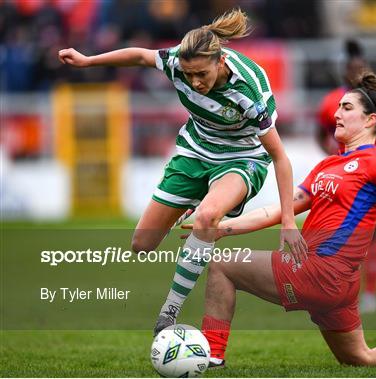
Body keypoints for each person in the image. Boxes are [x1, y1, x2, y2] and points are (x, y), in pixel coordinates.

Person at [184, 71, 376, 368]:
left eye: (347, 108)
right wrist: (221, 227)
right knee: (359, 357)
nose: (337, 114)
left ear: (370, 120)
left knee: (222, 265)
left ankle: (212, 354)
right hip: (337, 285)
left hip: (321, 272)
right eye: (338, 108)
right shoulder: (327, 165)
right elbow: (279, 210)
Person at [58, 8, 307, 336]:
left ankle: (169, 310)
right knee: (142, 245)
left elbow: (280, 157)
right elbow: (141, 56)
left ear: (220, 62)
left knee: (207, 218)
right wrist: (89, 61)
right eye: (189, 75)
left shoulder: (249, 90)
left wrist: (289, 221)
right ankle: (192, 203)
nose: (195, 82)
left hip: (242, 158)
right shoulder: (178, 60)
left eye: (201, 74)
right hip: (195, 150)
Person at [317, 39, 376, 313]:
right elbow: (321, 133)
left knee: (371, 234)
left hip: (375, 177)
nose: (356, 74)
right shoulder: (334, 102)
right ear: (345, 72)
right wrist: (333, 157)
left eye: (360, 69)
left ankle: (370, 294)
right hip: (347, 177)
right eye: (351, 70)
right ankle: (341, 290)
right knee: (344, 234)